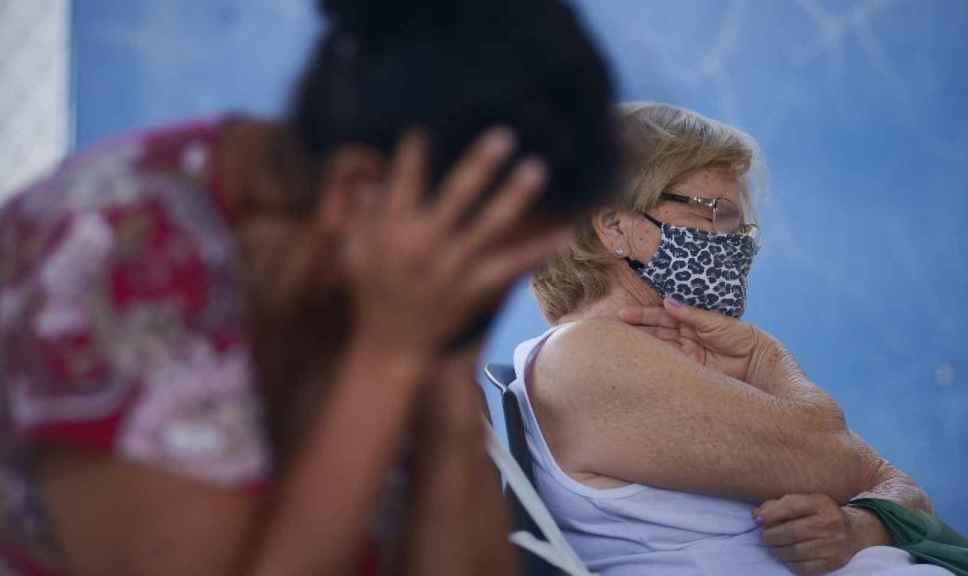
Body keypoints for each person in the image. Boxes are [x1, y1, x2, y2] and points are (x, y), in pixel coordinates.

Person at [0, 0, 617, 574]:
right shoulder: (115, 251)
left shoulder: (392, 277)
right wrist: (389, 355)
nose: (485, 291)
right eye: (487, 259)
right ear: (356, 191)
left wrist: (449, 370)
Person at [519, 102, 950, 575]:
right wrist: (764, 357)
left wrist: (862, 527)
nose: (739, 243)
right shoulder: (582, 354)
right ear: (615, 225)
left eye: (742, 226)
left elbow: (904, 489)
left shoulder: (695, 354)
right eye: (716, 214)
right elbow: (836, 458)